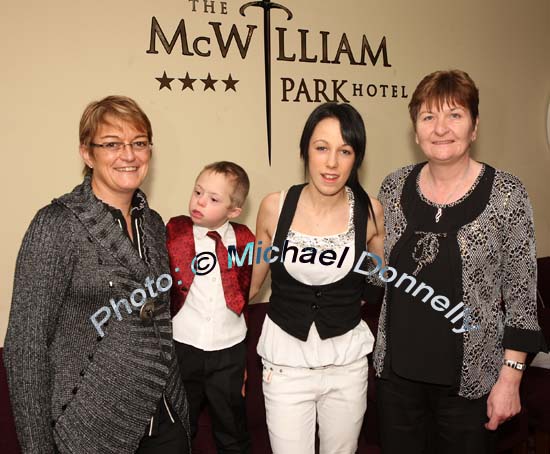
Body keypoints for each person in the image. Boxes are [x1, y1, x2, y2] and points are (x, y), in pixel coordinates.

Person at [3, 96, 191, 454]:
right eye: (112, 144)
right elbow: (25, 346)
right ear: (87, 154)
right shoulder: (56, 225)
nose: (129, 155)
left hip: (166, 420)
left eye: (139, 143)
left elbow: (160, 321)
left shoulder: (152, 224)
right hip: (92, 430)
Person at [374, 69, 547, 454]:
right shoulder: (392, 186)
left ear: (474, 126)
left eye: (454, 115)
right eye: (428, 117)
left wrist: (511, 380)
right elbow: (378, 275)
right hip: (397, 383)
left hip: (470, 388)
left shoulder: (507, 195)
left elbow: (521, 300)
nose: (441, 129)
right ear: (415, 130)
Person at [249, 102, 385, 454]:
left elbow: (379, 279)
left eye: (345, 151)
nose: (331, 163)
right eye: (321, 148)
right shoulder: (274, 207)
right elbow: (249, 286)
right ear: (305, 151)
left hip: (347, 367)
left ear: (357, 158)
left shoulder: (370, 211)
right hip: (285, 367)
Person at [167, 161, 254, 453]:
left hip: (228, 349)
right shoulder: (174, 231)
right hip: (183, 345)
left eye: (213, 199)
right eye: (198, 192)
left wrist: (241, 360)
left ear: (234, 211)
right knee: (180, 423)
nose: (200, 202)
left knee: (231, 425)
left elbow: (245, 291)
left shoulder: (245, 240)